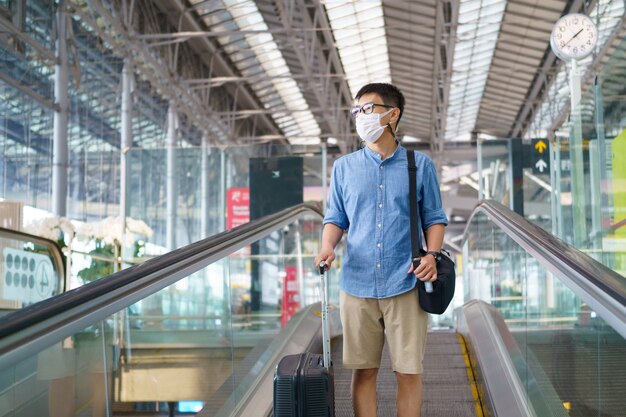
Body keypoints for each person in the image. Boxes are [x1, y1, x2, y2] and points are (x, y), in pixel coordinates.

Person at [314, 83, 448, 417]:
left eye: (368, 108)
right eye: (356, 110)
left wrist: (431, 255)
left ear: (392, 113)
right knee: (363, 371)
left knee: (408, 372)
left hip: (405, 280)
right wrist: (327, 246)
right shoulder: (344, 168)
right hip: (357, 285)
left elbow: (434, 218)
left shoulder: (420, 165)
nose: (360, 116)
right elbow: (335, 217)